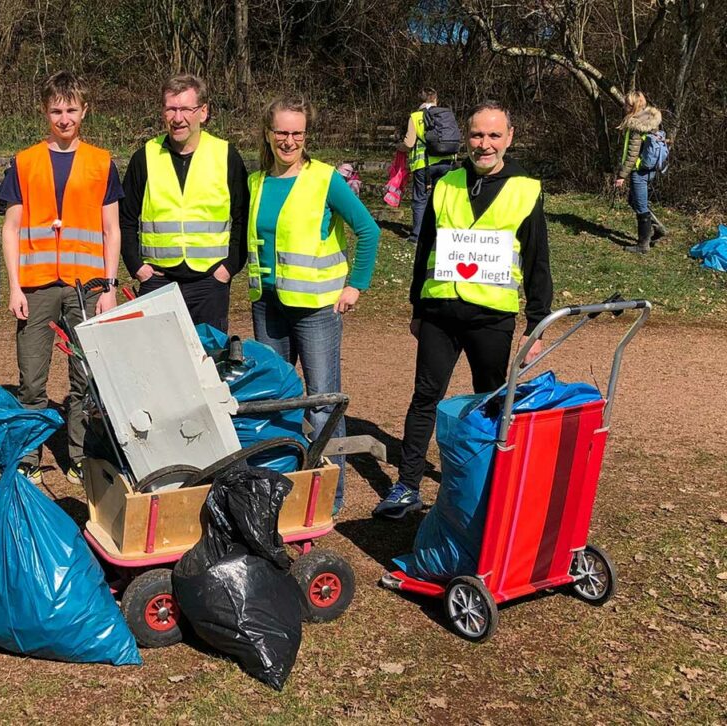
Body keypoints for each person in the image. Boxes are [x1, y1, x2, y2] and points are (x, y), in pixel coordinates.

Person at [374, 100, 553, 519]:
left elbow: (537, 261)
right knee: (425, 398)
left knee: (491, 403)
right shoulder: (445, 183)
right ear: (465, 138)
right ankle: (406, 486)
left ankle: (490, 484)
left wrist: (537, 324)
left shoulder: (526, 189)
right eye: (476, 135)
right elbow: (426, 250)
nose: (484, 144)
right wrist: (416, 306)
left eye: (493, 135)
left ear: (509, 138)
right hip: (439, 313)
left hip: (491, 319)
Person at [247, 96, 381, 514]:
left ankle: (328, 496)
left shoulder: (325, 179)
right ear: (268, 133)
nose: (289, 141)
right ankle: (279, 486)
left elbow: (368, 230)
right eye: (281, 132)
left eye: (297, 133)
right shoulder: (256, 182)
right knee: (275, 397)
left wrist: (355, 286)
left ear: (307, 135)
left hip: (318, 309)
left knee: (322, 402)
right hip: (268, 305)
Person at [0, 71, 123, 485]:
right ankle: (28, 456)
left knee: (83, 378)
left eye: (72, 109)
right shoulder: (24, 161)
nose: (64, 117)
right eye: (56, 110)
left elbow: (111, 230)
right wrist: (14, 286)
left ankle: (79, 456)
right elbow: (11, 228)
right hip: (35, 286)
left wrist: (109, 286)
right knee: (31, 378)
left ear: (84, 111)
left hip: (85, 288)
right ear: (44, 111)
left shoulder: (102, 162)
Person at [120, 73, 249, 333]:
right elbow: (125, 218)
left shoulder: (226, 155)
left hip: (210, 282)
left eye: (186, 109)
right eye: (171, 109)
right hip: (157, 281)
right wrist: (137, 267)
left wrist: (228, 268)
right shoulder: (144, 157)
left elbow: (243, 218)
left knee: (209, 362)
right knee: (160, 364)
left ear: (203, 112)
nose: (178, 118)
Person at [398, 88, 458, 244]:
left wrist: (399, 147)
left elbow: (409, 143)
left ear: (420, 99)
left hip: (424, 165)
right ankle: (441, 234)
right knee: (442, 198)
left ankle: (417, 235)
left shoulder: (416, 116)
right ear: (436, 99)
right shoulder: (446, 115)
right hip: (447, 162)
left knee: (420, 199)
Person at [614, 91, 668, 254]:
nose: (624, 107)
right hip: (651, 168)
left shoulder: (636, 124)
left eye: (627, 104)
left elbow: (632, 153)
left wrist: (621, 176)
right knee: (634, 200)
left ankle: (643, 245)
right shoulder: (650, 119)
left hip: (640, 170)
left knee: (640, 206)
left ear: (633, 105)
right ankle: (658, 228)